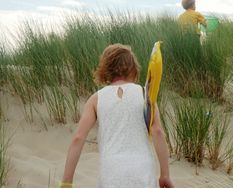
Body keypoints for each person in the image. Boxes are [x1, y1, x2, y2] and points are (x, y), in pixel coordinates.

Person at [60, 44, 174, 188]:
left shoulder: (96, 99)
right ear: (133, 68)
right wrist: (164, 175)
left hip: (111, 171)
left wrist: (66, 182)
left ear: (106, 68)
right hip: (142, 169)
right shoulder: (145, 94)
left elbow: (78, 138)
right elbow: (158, 131)